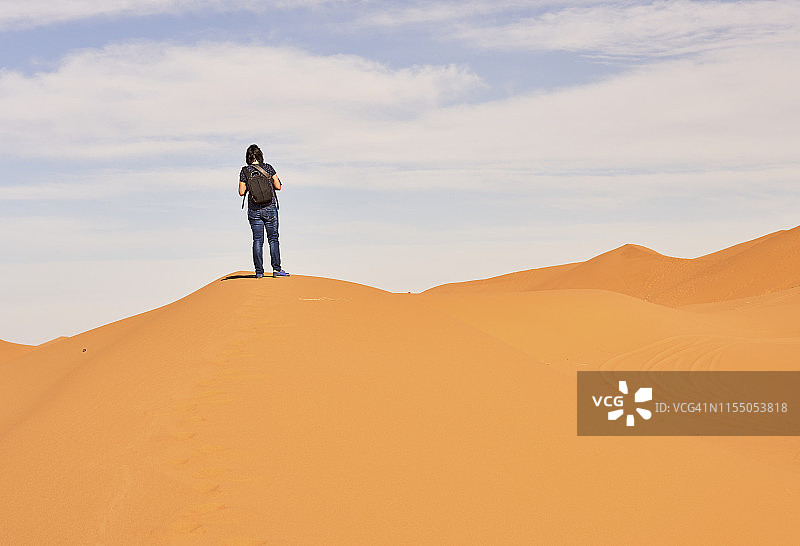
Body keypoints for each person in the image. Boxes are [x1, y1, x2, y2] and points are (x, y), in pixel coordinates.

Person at [239, 144, 290, 278]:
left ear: (248, 157)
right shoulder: (268, 167)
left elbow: (241, 192)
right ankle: (277, 270)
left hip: (254, 210)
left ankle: (259, 272)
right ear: (260, 155)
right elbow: (278, 186)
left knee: (257, 240)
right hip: (270, 208)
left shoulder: (245, 171)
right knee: (273, 239)